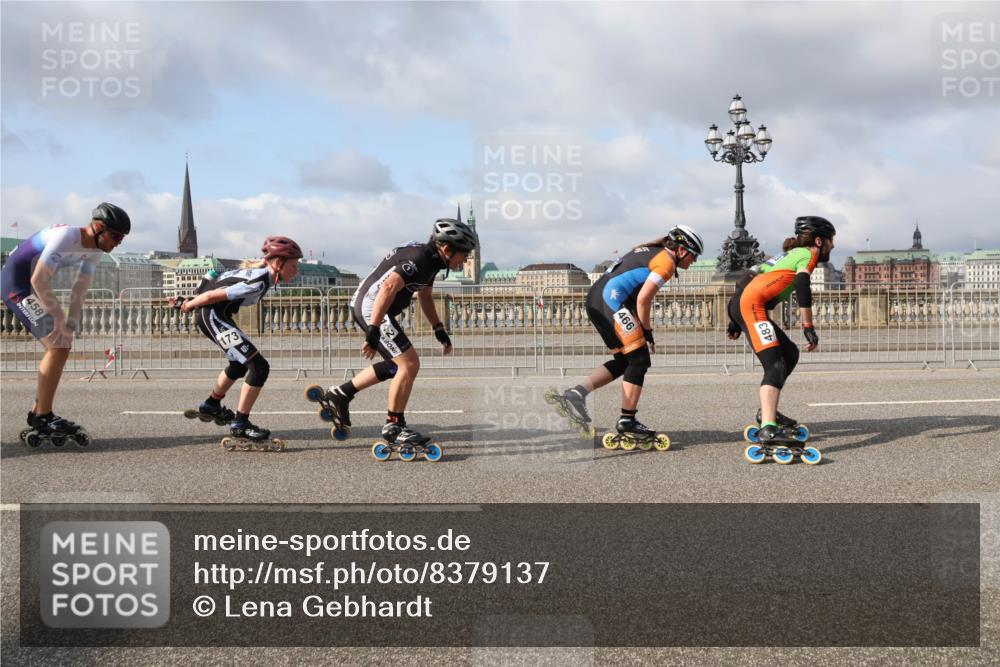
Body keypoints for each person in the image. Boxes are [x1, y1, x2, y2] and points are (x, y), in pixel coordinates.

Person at [318, 218, 477, 454]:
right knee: (410, 364)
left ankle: (341, 394)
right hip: (373, 308)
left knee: (396, 366)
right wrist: (373, 330)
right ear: (447, 248)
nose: (465, 260)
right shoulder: (421, 259)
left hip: (374, 308)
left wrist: (438, 328)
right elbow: (389, 287)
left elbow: (424, 296)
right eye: (464, 254)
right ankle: (394, 426)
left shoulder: (433, 261)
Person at [547, 225, 704, 449]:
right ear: (681, 250)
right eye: (694, 255)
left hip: (597, 301)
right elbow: (643, 300)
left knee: (625, 361)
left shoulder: (648, 251)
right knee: (639, 360)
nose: (694, 261)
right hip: (610, 303)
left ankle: (576, 393)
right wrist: (648, 331)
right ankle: (627, 420)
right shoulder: (666, 262)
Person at [3, 203, 131, 446]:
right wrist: (60, 319)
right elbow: (38, 279)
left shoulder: (94, 251)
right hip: (16, 285)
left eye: (122, 238)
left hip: (30, 285)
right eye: (115, 235)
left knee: (62, 344)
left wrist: (70, 325)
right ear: (97, 227)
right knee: (56, 345)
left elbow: (79, 289)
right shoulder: (66, 237)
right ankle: (43, 415)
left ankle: (40, 411)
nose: (119, 242)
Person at [171, 236, 302, 445]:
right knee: (259, 367)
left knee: (239, 364)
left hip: (215, 315)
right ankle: (240, 424)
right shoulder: (258, 282)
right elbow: (212, 295)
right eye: (294, 266)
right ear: (278, 264)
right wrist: (189, 305)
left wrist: (190, 298)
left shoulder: (258, 273)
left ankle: (211, 404)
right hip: (212, 316)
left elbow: (211, 275)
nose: (297, 271)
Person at [726, 215, 835, 451]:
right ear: (819, 241)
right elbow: (803, 288)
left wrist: (733, 316)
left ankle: (769, 411)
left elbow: (745, 278)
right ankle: (768, 428)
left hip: (746, 305)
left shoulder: (786, 255)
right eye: (830, 241)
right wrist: (808, 327)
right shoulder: (807, 254)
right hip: (752, 307)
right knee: (774, 365)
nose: (833, 245)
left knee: (789, 354)